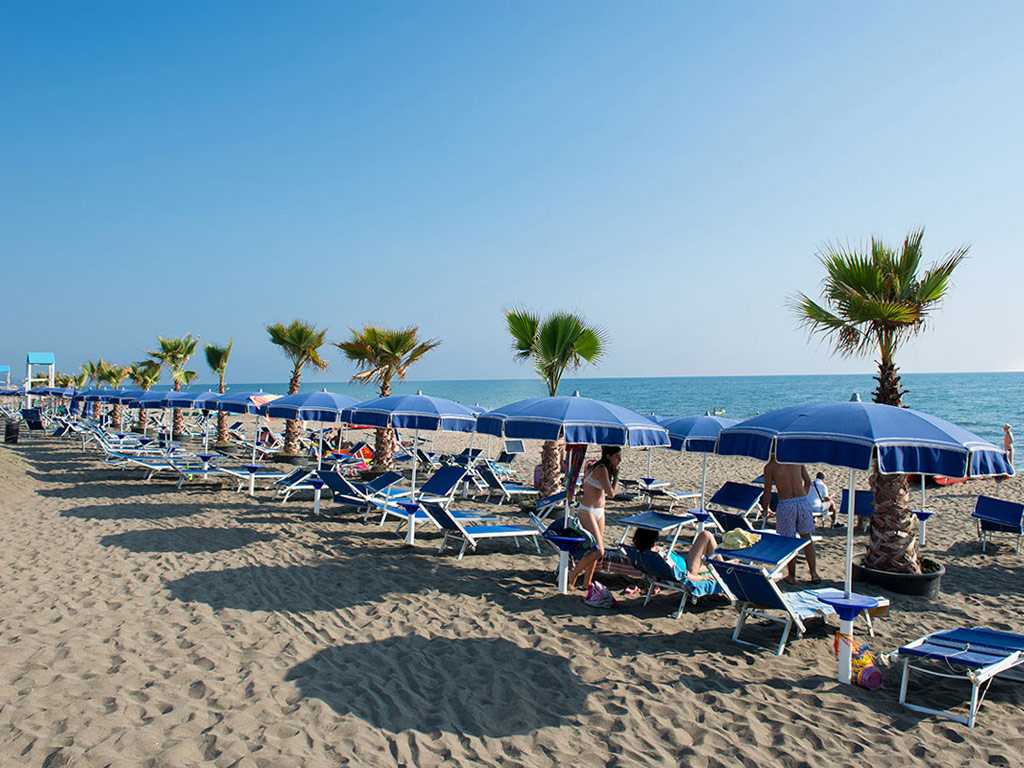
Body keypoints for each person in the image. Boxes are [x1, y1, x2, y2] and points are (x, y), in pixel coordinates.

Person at [567, 446, 622, 591]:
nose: (619, 459)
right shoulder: (601, 469)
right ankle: (573, 574)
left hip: (599, 510)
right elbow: (611, 493)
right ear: (608, 456)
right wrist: (616, 477)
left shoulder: (600, 467)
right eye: (617, 456)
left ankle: (586, 583)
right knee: (599, 550)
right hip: (588, 510)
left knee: (594, 550)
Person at [762, 452, 820, 584]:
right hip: (802, 501)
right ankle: (814, 573)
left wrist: (766, 508)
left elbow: (767, 491)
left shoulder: (771, 467)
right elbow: (808, 482)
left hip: (786, 503)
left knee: (788, 541)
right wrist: (803, 496)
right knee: (807, 538)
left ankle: (791, 576)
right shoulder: (796, 460)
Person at [632, 527, 720, 581]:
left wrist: (660, 549)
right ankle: (723, 567)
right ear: (654, 540)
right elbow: (686, 576)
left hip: (683, 566)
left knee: (721, 565)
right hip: (687, 569)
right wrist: (702, 578)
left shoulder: (643, 553)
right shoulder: (660, 557)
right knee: (706, 535)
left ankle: (726, 565)